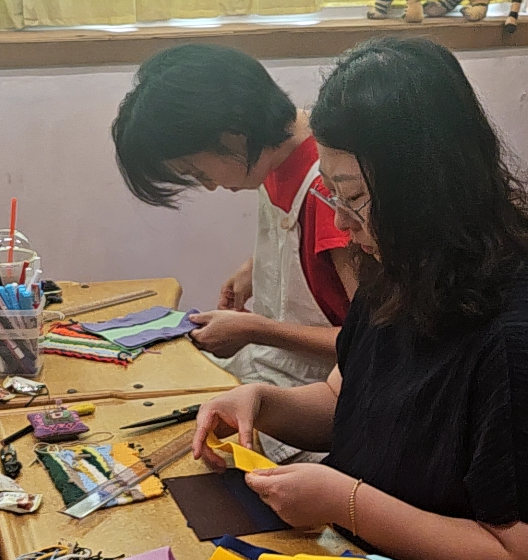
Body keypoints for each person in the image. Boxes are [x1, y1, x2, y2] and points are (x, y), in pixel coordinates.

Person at [189, 37, 528, 560]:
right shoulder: (403, 268)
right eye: (333, 195)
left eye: (355, 198)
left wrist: (344, 501)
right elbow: (345, 399)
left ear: (427, 185)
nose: (340, 221)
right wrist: (262, 404)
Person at [112, 44, 358, 390]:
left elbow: (374, 346)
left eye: (197, 172)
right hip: (279, 367)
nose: (209, 186)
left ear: (233, 135)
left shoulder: (330, 192)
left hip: (324, 393)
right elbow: (305, 245)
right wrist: (257, 267)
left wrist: (255, 330)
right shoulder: (272, 154)